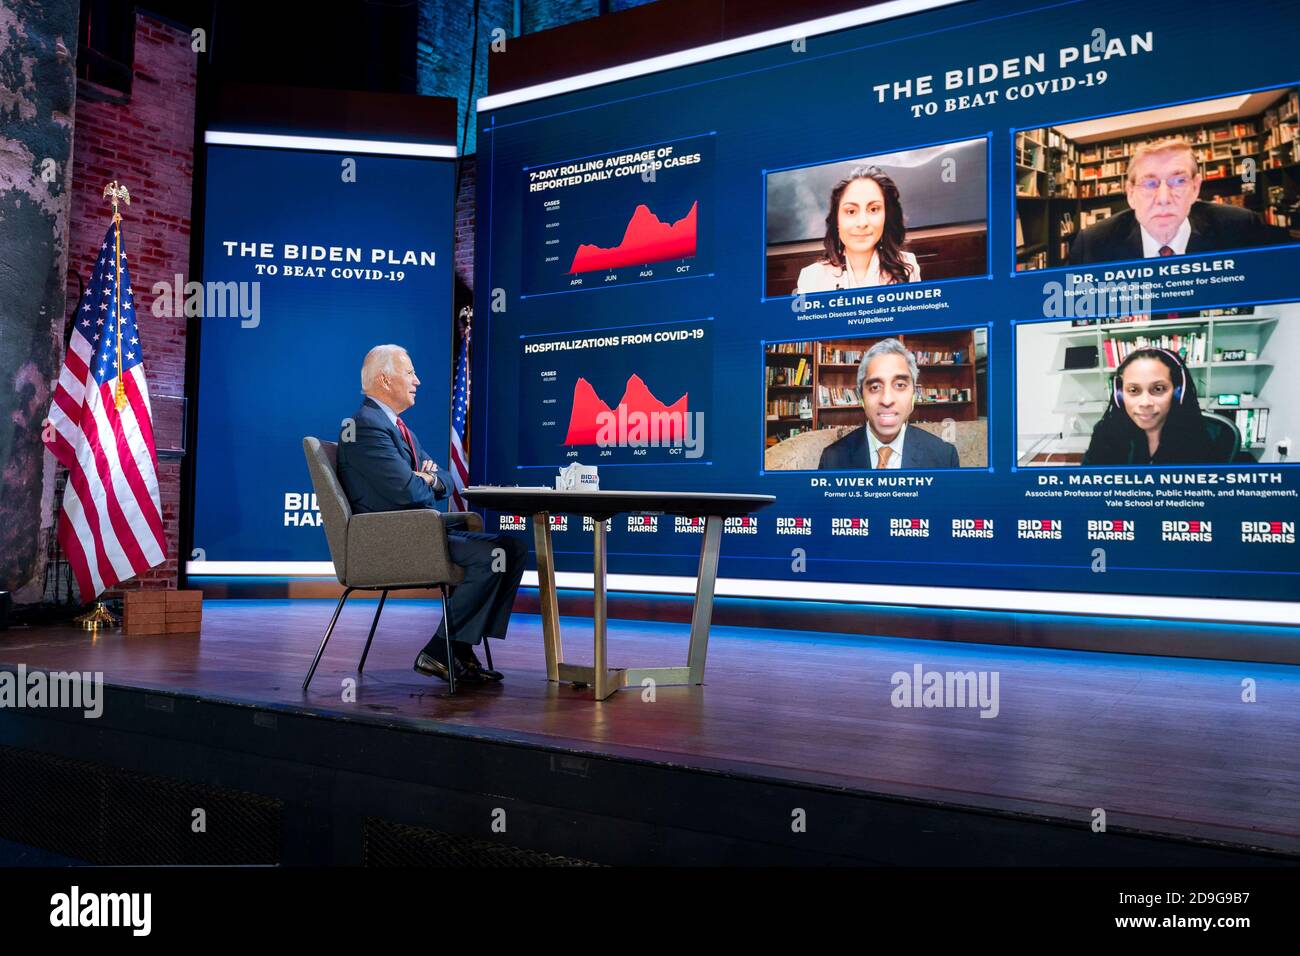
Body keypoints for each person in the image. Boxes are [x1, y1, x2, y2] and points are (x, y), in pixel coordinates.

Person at [336, 344, 526, 685]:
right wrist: (425, 479)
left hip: (418, 532)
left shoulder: (396, 427)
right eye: (409, 373)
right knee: (492, 556)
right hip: (394, 540)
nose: (418, 381)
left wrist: (428, 478)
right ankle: (441, 648)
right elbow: (409, 491)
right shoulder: (365, 426)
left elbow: (444, 478)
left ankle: (460, 647)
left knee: (512, 549)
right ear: (384, 379)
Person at [1068, 138, 1289, 265]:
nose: (1164, 198)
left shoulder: (1241, 228)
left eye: (1178, 181)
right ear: (1130, 194)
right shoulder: (1093, 244)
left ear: (1195, 188)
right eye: (1150, 183)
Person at [818, 337, 959, 470]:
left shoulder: (945, 457)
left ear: (913, 397)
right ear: (862, 398)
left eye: (900, 385)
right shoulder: (831, 460)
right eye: (875, 387)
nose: (886, 400)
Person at [795, 166, 921, 293]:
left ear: (886, 217)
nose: (862, 223)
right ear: (837, 220)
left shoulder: (907, 266)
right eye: (851, 211)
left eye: (873, 209)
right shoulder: (811, 278)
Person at [1082, 347, 1216, 466]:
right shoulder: (1105, 432)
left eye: (1158, 389)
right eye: (1133, 390)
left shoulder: (1208, 435)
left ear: (1178, 392)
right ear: (1119, 395)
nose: (1145, 402)